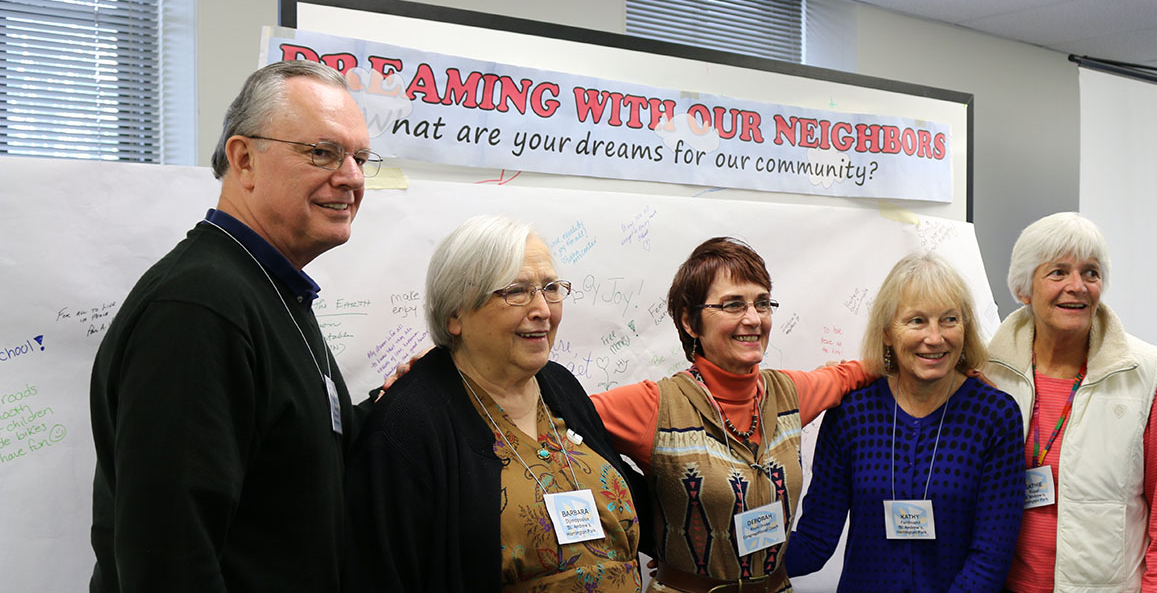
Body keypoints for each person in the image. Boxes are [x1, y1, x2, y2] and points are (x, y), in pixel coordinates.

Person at [89, 60, 384, 592]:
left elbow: (300, 448)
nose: (352, 178)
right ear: (244, 159)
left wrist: (397, 397)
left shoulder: (271, 289)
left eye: (360, 158)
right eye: (323, 152)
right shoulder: (199, 307)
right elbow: (169, 561)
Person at [344, 215, 648, 592]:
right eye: (517, 291)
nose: (543, 309)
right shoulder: (409, 422)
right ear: (456, 313)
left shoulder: (560, 385)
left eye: (551, 287)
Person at [591, 236, 871, 593]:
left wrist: (957, 363)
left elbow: (853, 374)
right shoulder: (656, 406)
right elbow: (563, 416)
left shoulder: (788, 393)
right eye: (733, 305)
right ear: (691, 323)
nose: (753, 318)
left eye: (762, 303)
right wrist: (641, 525)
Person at [785, 252, 1025, 591]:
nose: (935, 337)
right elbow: (814, 543)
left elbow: (990, 557)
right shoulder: (851, 413)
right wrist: (720, 558)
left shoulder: (994, 416)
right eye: (916, 321)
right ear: (887, 333)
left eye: (949, 320)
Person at [986, 212, 1157, 592]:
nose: (1077, 286)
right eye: (1058, 272)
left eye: (1091, 273)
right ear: (1023, 288)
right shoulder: (989, 371)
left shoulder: (1146, 374)